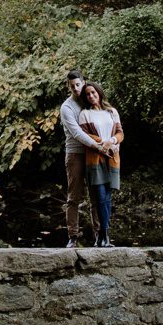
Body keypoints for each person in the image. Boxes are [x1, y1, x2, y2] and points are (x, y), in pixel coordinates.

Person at [77, 81, 124, 247]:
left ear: (99, 92)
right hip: (95, 157)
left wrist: (112, 141)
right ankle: (103, 234)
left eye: (93, 92)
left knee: (108, 198)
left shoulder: (111, 112)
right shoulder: (85, 114)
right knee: (100, 197)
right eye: (88, 94)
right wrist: (103, 144)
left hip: (112, 158)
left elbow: (120, 133)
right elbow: (85, 136)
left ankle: (103, 237)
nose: (91, 96)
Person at [59, 68, 91, 247]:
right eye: (72, 86)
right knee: (74, 197)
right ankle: (72, 236)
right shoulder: (67, 107)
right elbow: (77, 133)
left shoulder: (91, 100)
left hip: (93, 154)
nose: (76, 89)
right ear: (68, 87)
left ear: (83, 82)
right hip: (75, 154)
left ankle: (100, 235)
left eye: (78, 85)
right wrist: (97, 145)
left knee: (96, 194)